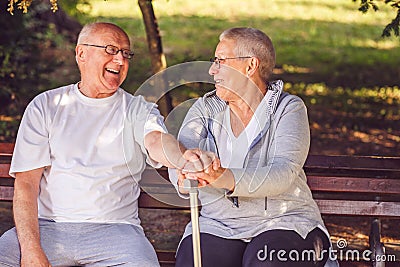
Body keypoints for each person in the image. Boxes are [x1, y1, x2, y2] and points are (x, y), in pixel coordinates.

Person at [0, 22, 215, 267]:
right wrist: (30, 249)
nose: (121, 60)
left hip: (117, 232)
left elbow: (157, 141)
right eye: (111, 50)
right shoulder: (46, 106)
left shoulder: (136, 109)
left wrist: (183, 157)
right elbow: (26, 184)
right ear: (82, 53)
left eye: (126, 53)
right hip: (47, 228)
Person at [169, 27, 338, 267]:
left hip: (284, 221)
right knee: (193, 261)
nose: (212, 69)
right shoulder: (204, 110)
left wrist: (222, 177)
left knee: (265, 261)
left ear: (250, 66)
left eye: (220, 61)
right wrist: (187, 169)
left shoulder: (287, 109)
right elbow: (181, 157)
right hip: (219, 224)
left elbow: (282, 173)